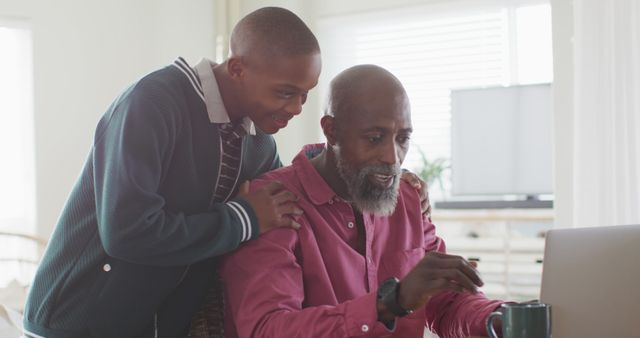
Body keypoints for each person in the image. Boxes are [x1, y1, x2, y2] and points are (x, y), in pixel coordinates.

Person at [23, 7, 429, 338]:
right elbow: (127, 232)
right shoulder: (154, 104)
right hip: (74, 321)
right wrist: (245, 217)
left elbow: (295, 196)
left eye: (305, 94)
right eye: (285, 92)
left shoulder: (259, 144)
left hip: (152, 326)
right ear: (237, 69)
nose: (295, 108)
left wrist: (382, 171)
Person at [220, 65, 505, 338]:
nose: (392, 158)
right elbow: (267, 330)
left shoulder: (407, 197)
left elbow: (446, 304)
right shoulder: (272, 203)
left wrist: (499, 316)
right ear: (331, 131)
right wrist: (390, 302)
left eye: (402, 139)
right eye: (374, 138)